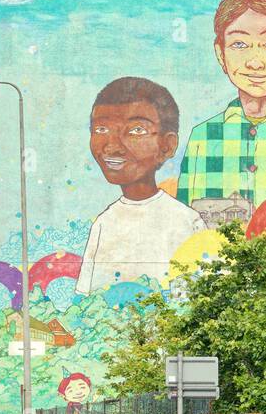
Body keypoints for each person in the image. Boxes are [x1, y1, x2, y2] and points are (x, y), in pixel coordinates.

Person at [176, 0, 266, 210]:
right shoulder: (203, 135)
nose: (255, 62)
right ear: (220, 52)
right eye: (239, 44)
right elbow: (186, 217)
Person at [77, 77, 206, 293]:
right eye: (101, 130)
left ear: (167, 145)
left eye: (136, 130)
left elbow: (204, 296)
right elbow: (85, 296)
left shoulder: (185, 221)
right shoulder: (104, 223)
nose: (112, 146)